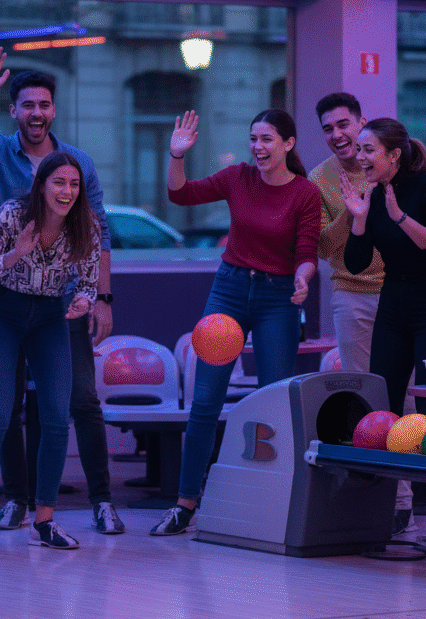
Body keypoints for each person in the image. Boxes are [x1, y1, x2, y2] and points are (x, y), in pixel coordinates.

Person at [0, 48, 123, 535]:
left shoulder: (77, 164)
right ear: (15, 110)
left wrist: (100, 297)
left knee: (77, 401)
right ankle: (15, 501)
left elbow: (97, 235)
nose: (36, 113)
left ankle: (100, 501)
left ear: (53, 110)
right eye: (27, 105)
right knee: (6, 408)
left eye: (44, 104)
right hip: (4, 290)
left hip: (58, 302)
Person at [151, 109, 319, 536]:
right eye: (253, 138)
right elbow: (181, 195)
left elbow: (306, 251)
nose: (258, 147)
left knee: (274, 399)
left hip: (278, 298)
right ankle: (185, 504)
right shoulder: (237, 177)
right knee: (206, 398)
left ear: (288, 143)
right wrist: (176, 155)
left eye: (267, 139)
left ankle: (270, 501)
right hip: (229, 289)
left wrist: (302, 279)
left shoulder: (304, 193)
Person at [341, 117, 426, 552]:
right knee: (382, 401)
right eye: (358, 150)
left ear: (393, 155)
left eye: (367, 151)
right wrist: (359, 218)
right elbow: (358, 263)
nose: (359, 158)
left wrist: (399, 216)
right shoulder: (371, 196)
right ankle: (388, 512)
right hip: (393, 303)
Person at [0, 151, 101, 551]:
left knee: (58, 417)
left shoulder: (84, 225)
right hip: (0, 311)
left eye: (74, 184)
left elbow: (88, 282)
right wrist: (17, 252)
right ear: (41, 184)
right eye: (59, 182)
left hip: (49, 317)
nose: (67, 191)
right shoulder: (12, 213)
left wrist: (84, 301)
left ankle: (45, 520)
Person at [308, 93, 381, 373]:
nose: (336, 135)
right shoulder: (318, 179)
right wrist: (351, 210)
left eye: (343, 125)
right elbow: (323, 249)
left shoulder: (387, 164)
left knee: (407, 389)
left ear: (362, 123)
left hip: (399, 289)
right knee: (362, 385)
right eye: (328, 129)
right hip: (351, 293)